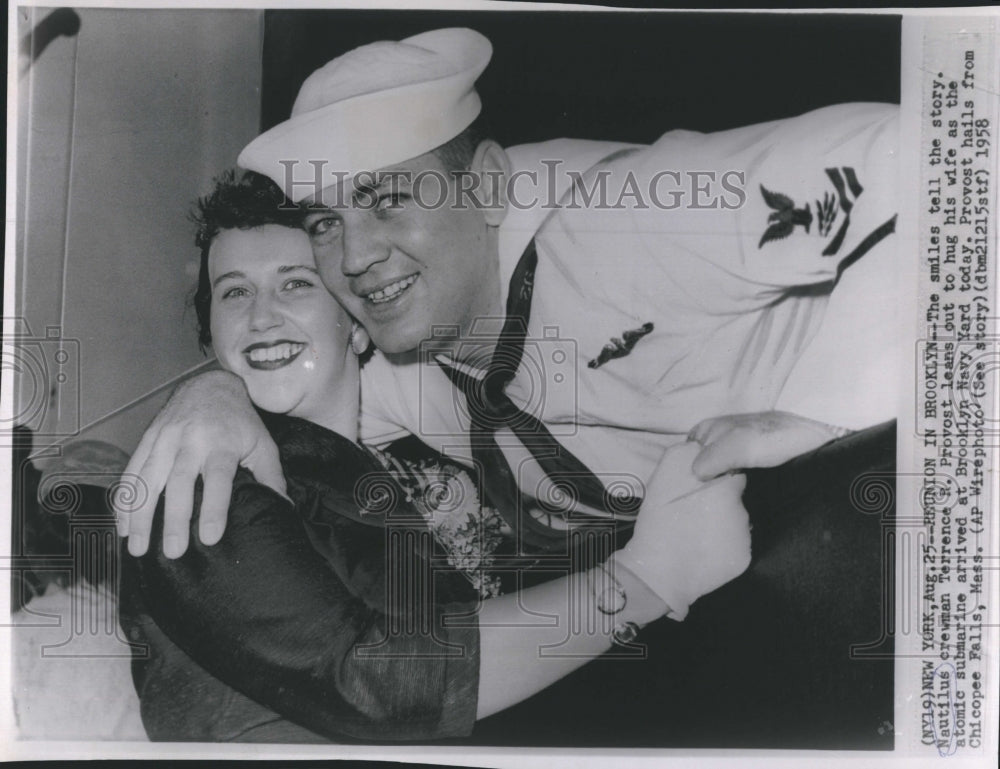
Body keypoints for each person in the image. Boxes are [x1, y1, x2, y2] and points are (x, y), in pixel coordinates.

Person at [117, 27, 902, 560]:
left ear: (488, 182)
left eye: (389, 200)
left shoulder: (633, 216)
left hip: (883, 489)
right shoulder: (400, 360)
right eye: (326, 222)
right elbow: (286, 377)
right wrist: (211, 391)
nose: (355, 257)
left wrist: (819, 409)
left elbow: (932, 153)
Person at [120, 170, 752, 742]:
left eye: (295, 284)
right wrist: (645, 580)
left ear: (356, 321)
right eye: (233, 294)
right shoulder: (197, 468)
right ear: (212, 337)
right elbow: (371, 680)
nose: (262, 317)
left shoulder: (413, 466)